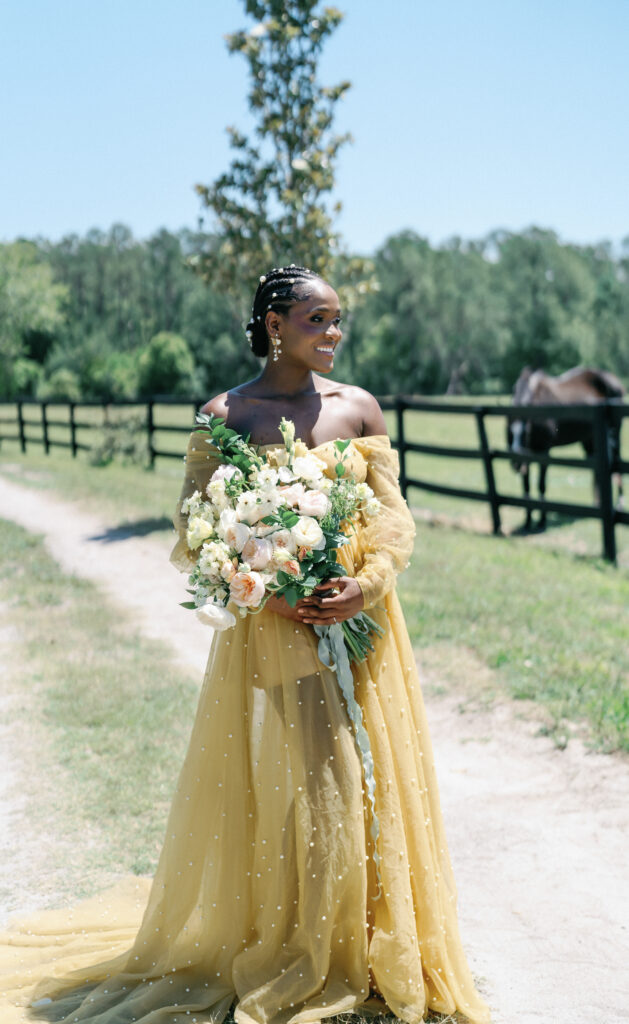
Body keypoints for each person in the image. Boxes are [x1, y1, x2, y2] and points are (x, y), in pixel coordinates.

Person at [0, 265, 491, 1024]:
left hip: (361, 621)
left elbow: (392, 516)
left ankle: (371, 944)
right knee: (313, 781)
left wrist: (367, 584)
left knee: (372, 776)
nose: (332, 333)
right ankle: (308, 947)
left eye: (337, 320)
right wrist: (265, 584)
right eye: (316, 319)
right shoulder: (224, 416)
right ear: (273, 325)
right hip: (276, 628)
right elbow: (197, 531)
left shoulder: (358, 408)